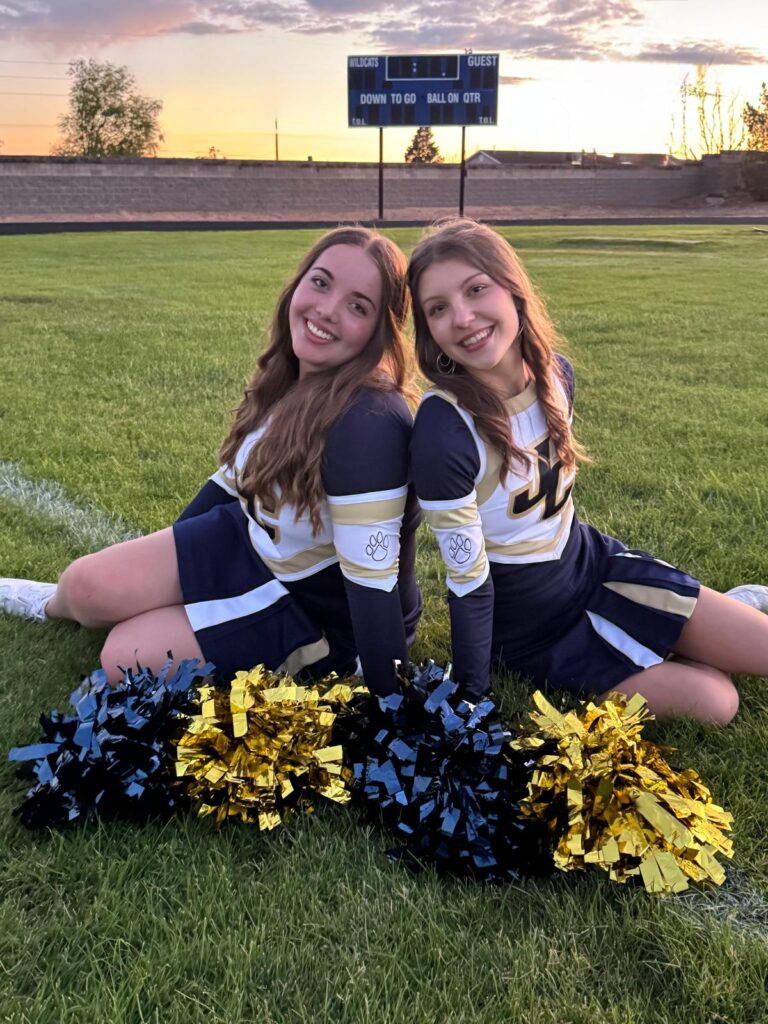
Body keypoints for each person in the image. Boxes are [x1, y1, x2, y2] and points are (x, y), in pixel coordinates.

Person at [0, 227, 422, 696]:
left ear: (381, 330)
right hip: (248, 539)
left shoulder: (370, 422)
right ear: (298, 284)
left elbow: (376, 580)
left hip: (310, 606)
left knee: (126, 656)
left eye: (357, 306)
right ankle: (51, 603)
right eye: (321, 283)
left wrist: (388, 686)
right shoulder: (290, 373)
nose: (326, 309)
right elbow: (231, 483)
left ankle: (320, 657)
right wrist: (171, 569)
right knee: (85, 586)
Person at [408, 219, 768, 723]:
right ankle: (679, 638)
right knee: (718, 701)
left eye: (476, 290)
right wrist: (470, 694)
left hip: (596, 567)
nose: (463, 317)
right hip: (533, 630)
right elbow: (468, 582)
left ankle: (702, 622)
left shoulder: (557, 374)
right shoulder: (444, 429)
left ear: (512, 289)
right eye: (438, 308)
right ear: (428, 329)